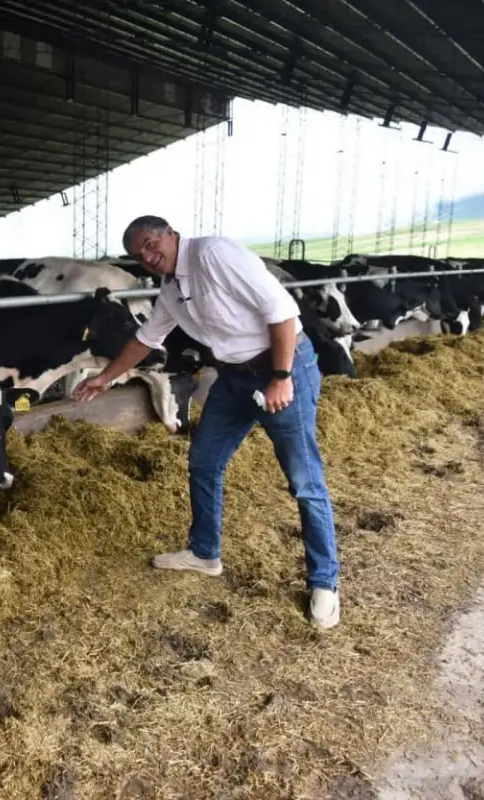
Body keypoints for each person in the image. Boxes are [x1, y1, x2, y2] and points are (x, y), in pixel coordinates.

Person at [73, 215, 341, 630]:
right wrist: (105, 378)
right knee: (203, 461)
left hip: (280, 371)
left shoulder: (213, 253)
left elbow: (282, 312)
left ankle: (325, 582)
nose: (147, 257)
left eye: (150, 244)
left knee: (304, 480)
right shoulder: (170, 289)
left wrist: (281, 377)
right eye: (137, 255)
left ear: (170, 234)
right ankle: (204, 553)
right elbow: (147, 339)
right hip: (233, 378)